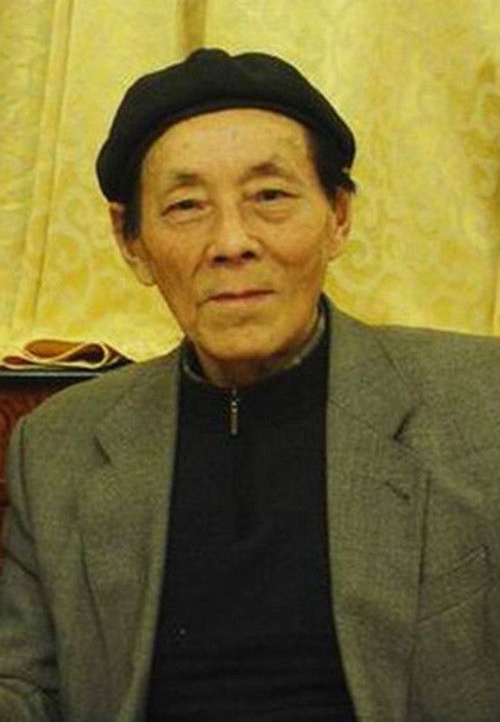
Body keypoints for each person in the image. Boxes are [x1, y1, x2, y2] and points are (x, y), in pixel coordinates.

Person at [0, 48, 499, 722]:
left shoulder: (480, 405)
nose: (232, 242)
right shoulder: (58, 447)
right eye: (186, 206)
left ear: (339, 215)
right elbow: (23, 687)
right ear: (131, 241)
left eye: (270, 196)